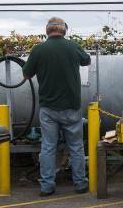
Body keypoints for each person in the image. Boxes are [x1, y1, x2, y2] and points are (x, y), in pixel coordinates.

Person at [23, 17, 92, 196]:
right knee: (76, 146)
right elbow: (86, 60)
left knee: (48, 147)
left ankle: (47, 186)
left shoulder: (38, 49)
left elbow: (27, 74)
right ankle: (80, 184)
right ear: (64, 30)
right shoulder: (72, 46)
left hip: (48, 107)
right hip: (71, 105)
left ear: (47, 30)